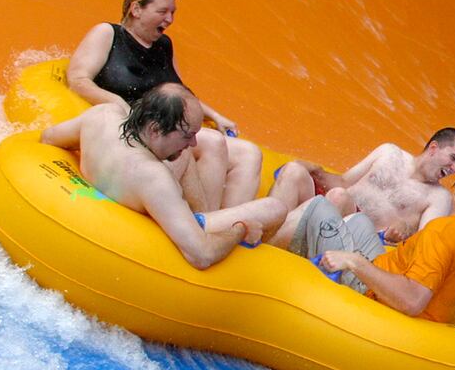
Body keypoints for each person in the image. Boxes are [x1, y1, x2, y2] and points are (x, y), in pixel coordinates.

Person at [41, 84, 293, 270]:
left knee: (181, 156)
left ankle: (210, 213)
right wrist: (240, 229)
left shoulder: (102, 116)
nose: (193, 141)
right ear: (154, 128)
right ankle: (242, 257)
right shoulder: (153, 176)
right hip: (161, 222)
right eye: (186, 135)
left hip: (126, 191)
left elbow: (48, 138)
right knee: (274, 208)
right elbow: (201, 255)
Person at [65, 0, 262, 210]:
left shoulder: (164, 45)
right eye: (162, 11)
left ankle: (232, 221)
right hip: (137, 128)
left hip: (168, 128)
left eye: (172, 12)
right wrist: (117, 103)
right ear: (136, 9)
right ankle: (206, 219)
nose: (169, 19)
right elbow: (77, 80)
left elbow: (181, 94)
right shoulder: (108, 34)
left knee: (249, 152)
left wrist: (216, 116)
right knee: (214, 143)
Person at [293, 157, 455, 323]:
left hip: (369, 289)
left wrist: (354, 262)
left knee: (320, 208)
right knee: (359, 221)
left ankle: (273, 248)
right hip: (386, 268)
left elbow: (412, 301)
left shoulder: (443, 231)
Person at [268, 128, 455, 248]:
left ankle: (265, 246)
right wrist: (317, 171)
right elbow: (343, 182)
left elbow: (424, 243)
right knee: (295, 170)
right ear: (434, 148)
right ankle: (267, 228)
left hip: (358, 238)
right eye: (453, 158)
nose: (453, 168)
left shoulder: (439, 197)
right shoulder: (389, 152)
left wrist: (406, 227)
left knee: (339, 198)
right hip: (332, 208)